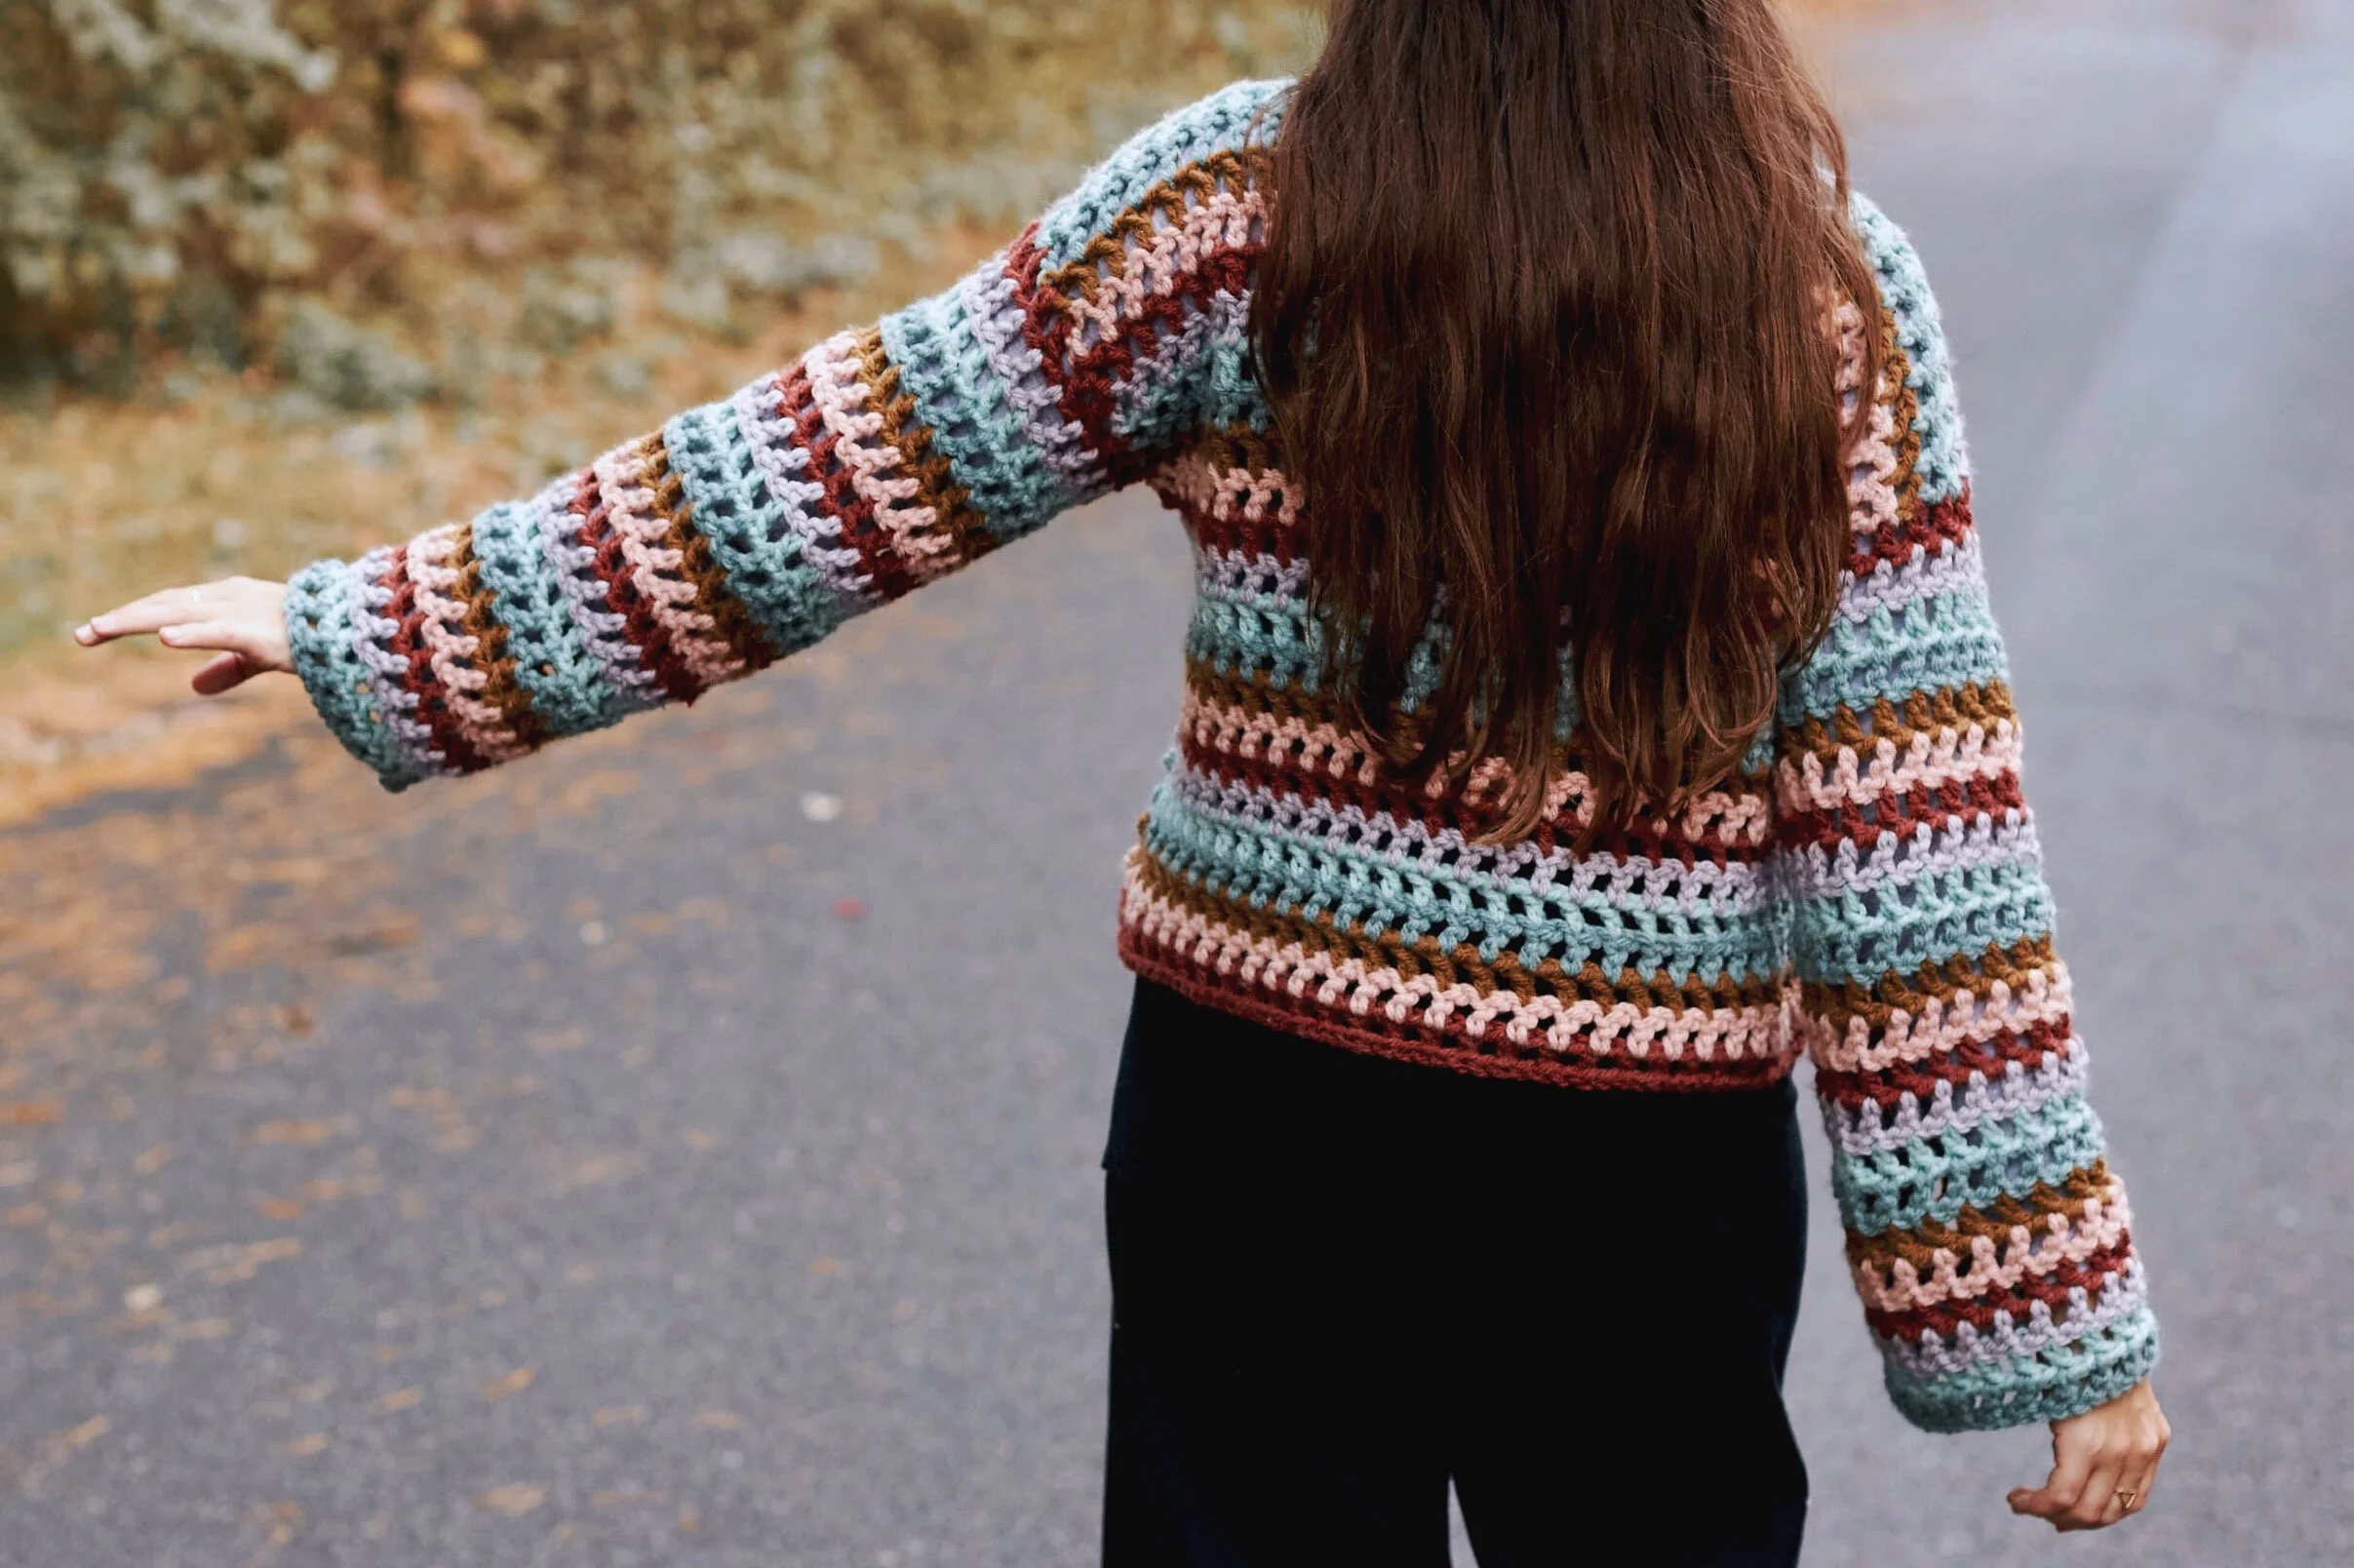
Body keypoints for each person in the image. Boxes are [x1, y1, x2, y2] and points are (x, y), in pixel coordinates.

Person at [75, 0, 2169, 1559]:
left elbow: (822, 477)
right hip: (1637, 1181)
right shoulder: (1826, 294)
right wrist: (2057, 1314)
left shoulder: (1237, 212)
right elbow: (1916, 842)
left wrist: (372, 621)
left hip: (1261, 1125)